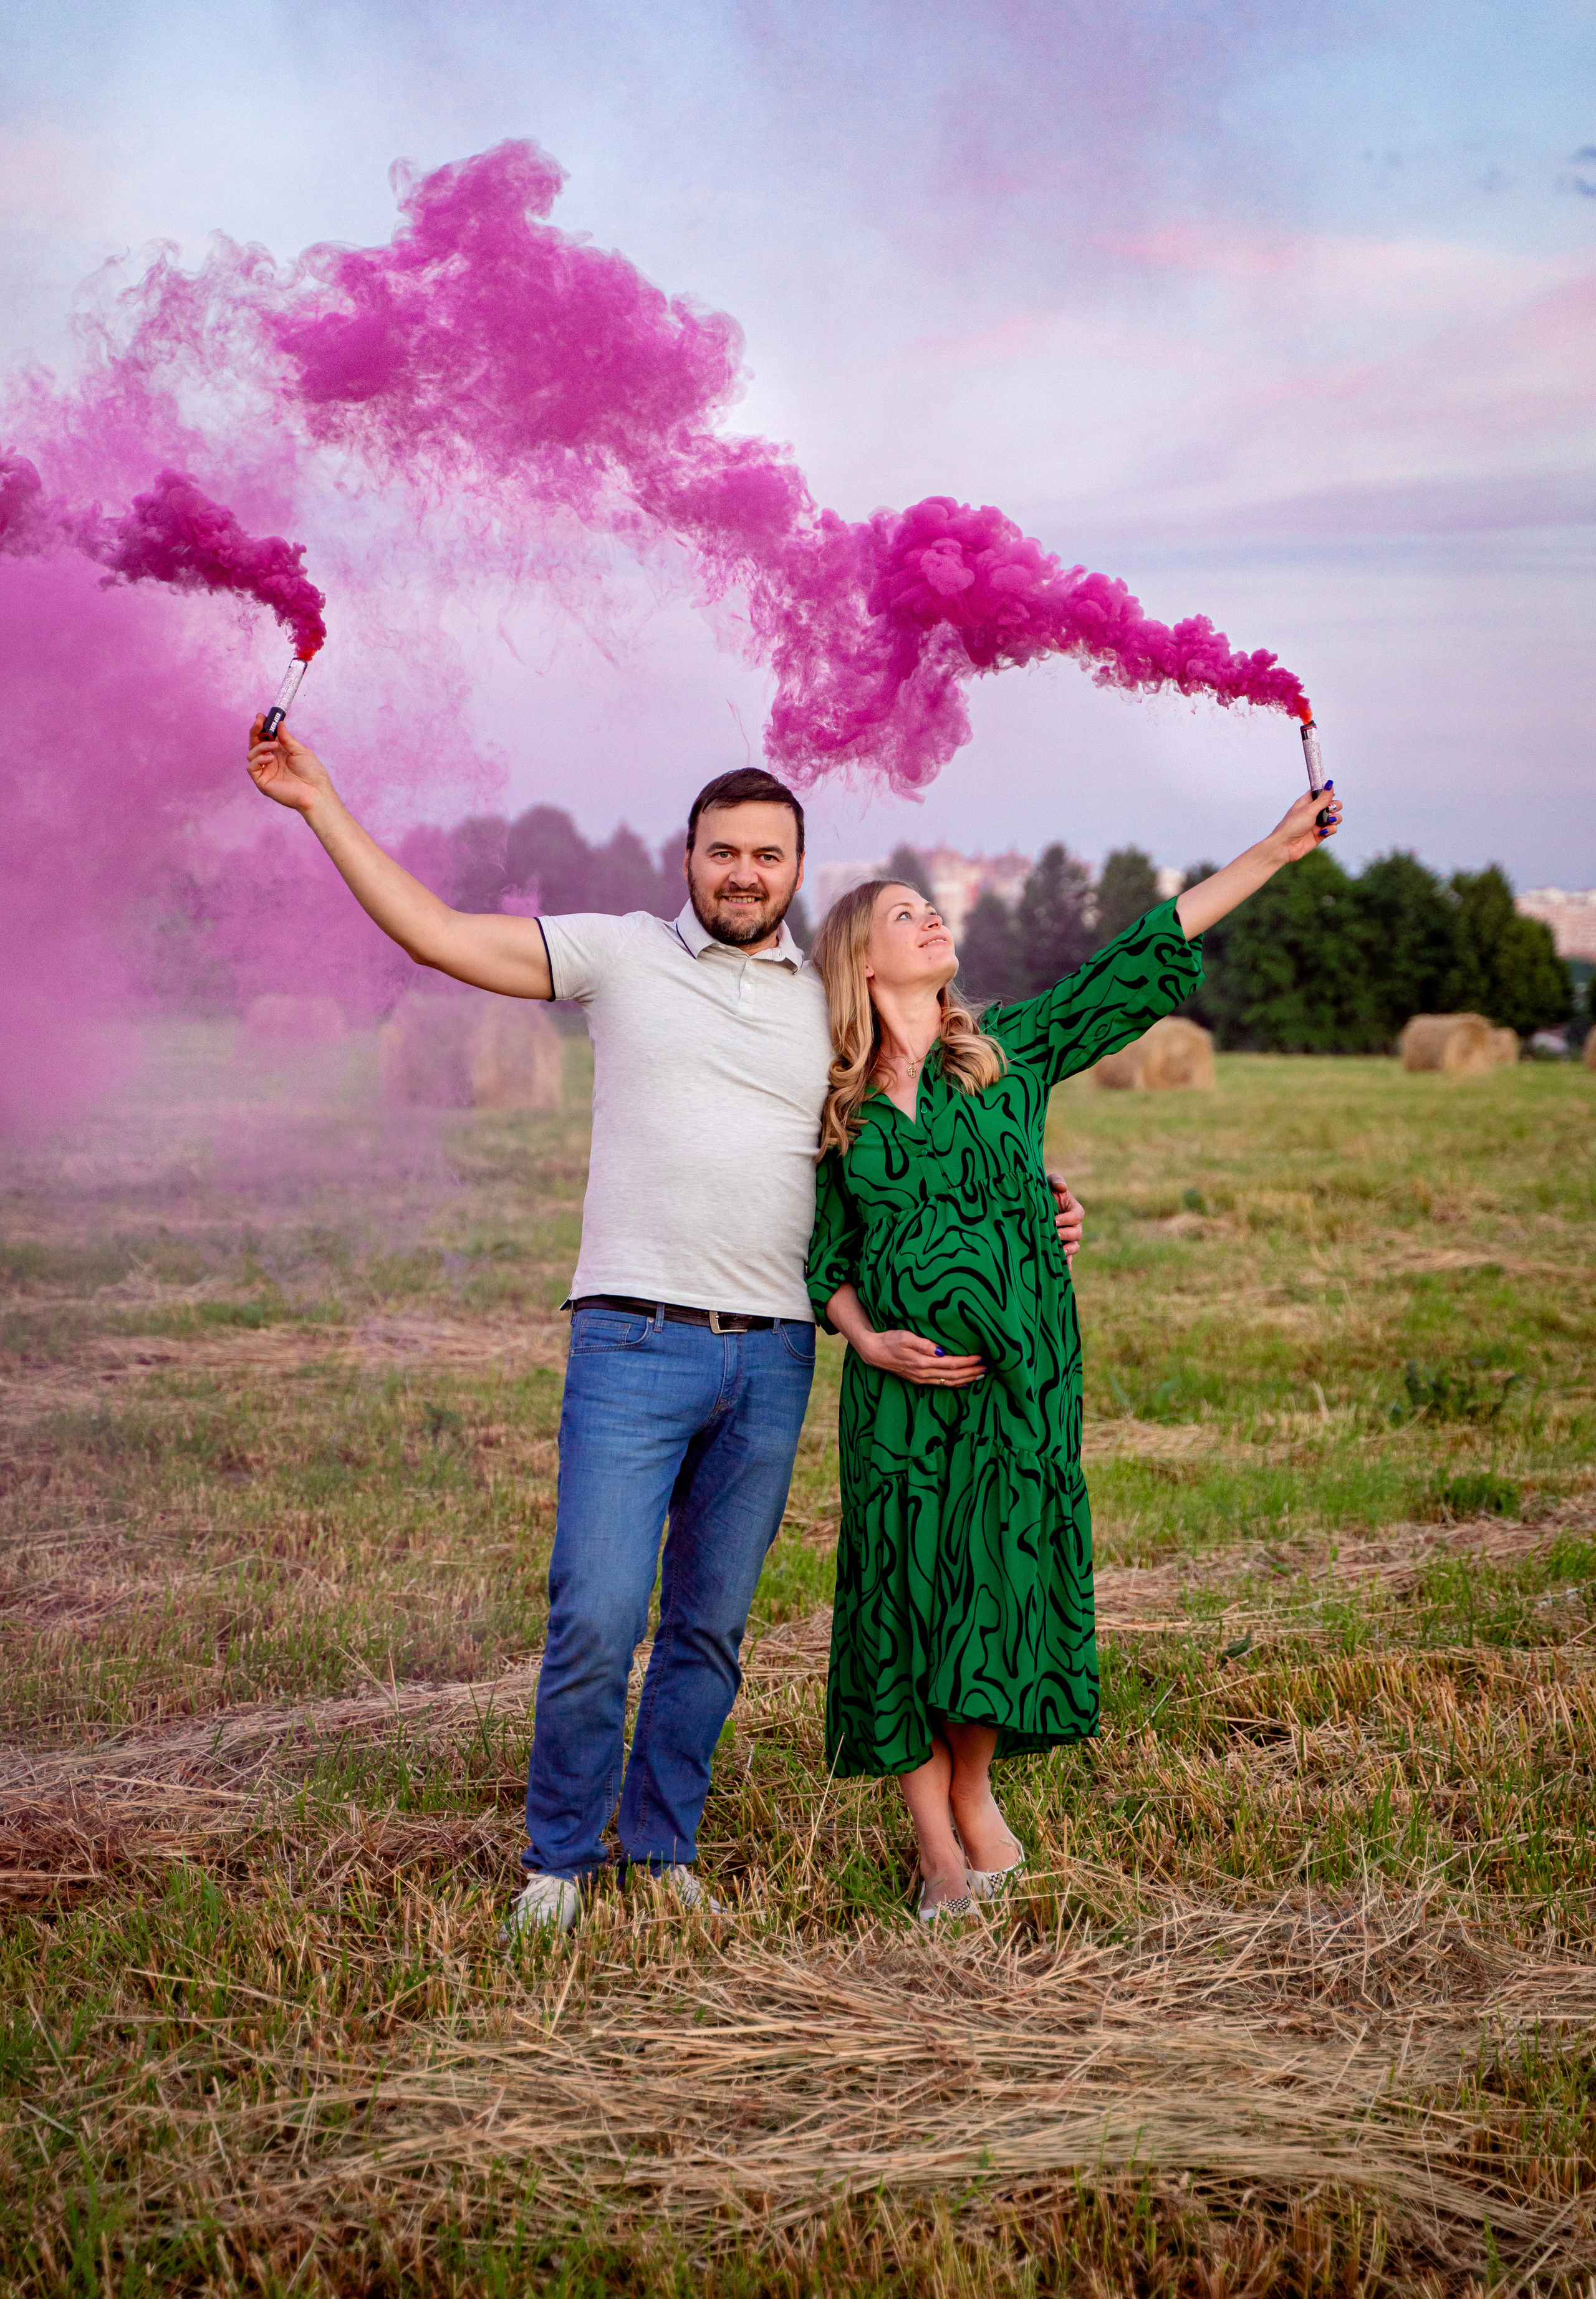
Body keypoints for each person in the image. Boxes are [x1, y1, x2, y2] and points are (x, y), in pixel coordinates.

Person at [243, 719, 1085, 1933]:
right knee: (594, 1609)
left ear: (797, 872)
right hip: (630, 1339)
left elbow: (932, 1128)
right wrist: (320, 800)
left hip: (776, 1351)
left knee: (708, 1624)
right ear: (684, 859)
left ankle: (661, 1844)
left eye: (767, 854)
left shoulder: (831, 1000)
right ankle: (556, 1860)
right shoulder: (620, 955)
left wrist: (1036, 1206)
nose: (743, 871)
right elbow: (434, 933)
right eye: (721, 851)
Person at [805, 779, 1343, 1918]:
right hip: (899, 1396)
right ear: (861, 960)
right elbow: (826, 1261)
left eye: (931, 909)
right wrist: (870, 1342)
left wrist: (1274, 851)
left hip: (1023, 1384)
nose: (932, 920)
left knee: (999, 1583)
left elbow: (1134, 959)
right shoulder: (834, 1106)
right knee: (901, 1593)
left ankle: (974, 1786)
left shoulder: (1007, 1057)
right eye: (904, 915)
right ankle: (936, 1843)